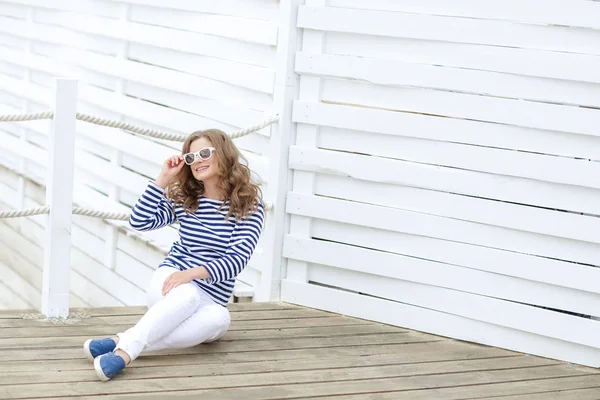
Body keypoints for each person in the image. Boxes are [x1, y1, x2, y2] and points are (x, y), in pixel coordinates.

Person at [82, 129, 265, 381]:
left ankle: (119, 340)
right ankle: (123, 355)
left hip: (210, 294)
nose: (197, 161)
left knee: (219, 319)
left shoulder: (249, 206)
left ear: (223, 154)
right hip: (171, 281)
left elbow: (237, 259)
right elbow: (140, 221)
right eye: (190, 158)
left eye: (204, 153)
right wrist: (162, 180)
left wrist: (192, 274)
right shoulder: (186, 200)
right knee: (187, 295)